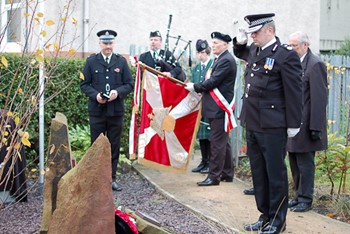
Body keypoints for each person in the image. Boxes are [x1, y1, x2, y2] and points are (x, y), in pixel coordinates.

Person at [233, 13, 303, 234]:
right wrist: (240, 41)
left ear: (270, 31)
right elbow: (239, 52)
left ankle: (278, 221)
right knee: (259, 173)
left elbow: (294, 92)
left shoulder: (285, 55)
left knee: (275, 174)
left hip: (273, 125)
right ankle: (265, 215)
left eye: (255, 32)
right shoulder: (255, 49)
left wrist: (294, 123)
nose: (252, 36)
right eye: (251, 33)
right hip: (253, 121)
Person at [80, 29, 134, 191]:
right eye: (105, 43)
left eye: (110, 43)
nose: (108, 46)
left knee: (113, 145)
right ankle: (96, 180)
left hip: (115, 111)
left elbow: (129, 84)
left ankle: (111, 178)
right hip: (97, 111)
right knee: (96, 146)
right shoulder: (91, 62)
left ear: (114, 44)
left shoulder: (121, 62)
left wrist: (117, 93)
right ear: (99, 43)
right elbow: (84, 85)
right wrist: (96, 95)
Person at [185, 31, 237, 186]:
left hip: (219, 108)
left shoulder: (226, 60)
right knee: (223, 141)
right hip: (216, 107)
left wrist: (194, 87)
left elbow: (213, 81)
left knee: (216, 143)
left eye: (216, 43)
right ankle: (227, 173)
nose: (213, 45)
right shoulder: (220, 59)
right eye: (212, 43)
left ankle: (214, 176)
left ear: (225, 45)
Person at [287, 31, 328, 213]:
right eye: (290, 45)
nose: (292, 49)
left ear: (305, 45)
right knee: (294, 161)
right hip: (293, 122)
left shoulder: (315, 64)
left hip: (307, 124)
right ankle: (297, 196)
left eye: (294, 46)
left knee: (305, 164)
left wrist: (316, 127)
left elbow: (319, 99)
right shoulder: (294, 63)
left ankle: (306, 199)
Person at [190, 39, 214, 174]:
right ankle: (204, 161)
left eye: (203, 52)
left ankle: (210, 162)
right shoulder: (196, 68)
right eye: (198, 52)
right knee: (202, 135)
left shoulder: (212, 65)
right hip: (199, 105)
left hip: (210, 104)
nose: (200, 55)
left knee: (209, 135)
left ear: (208, 52)